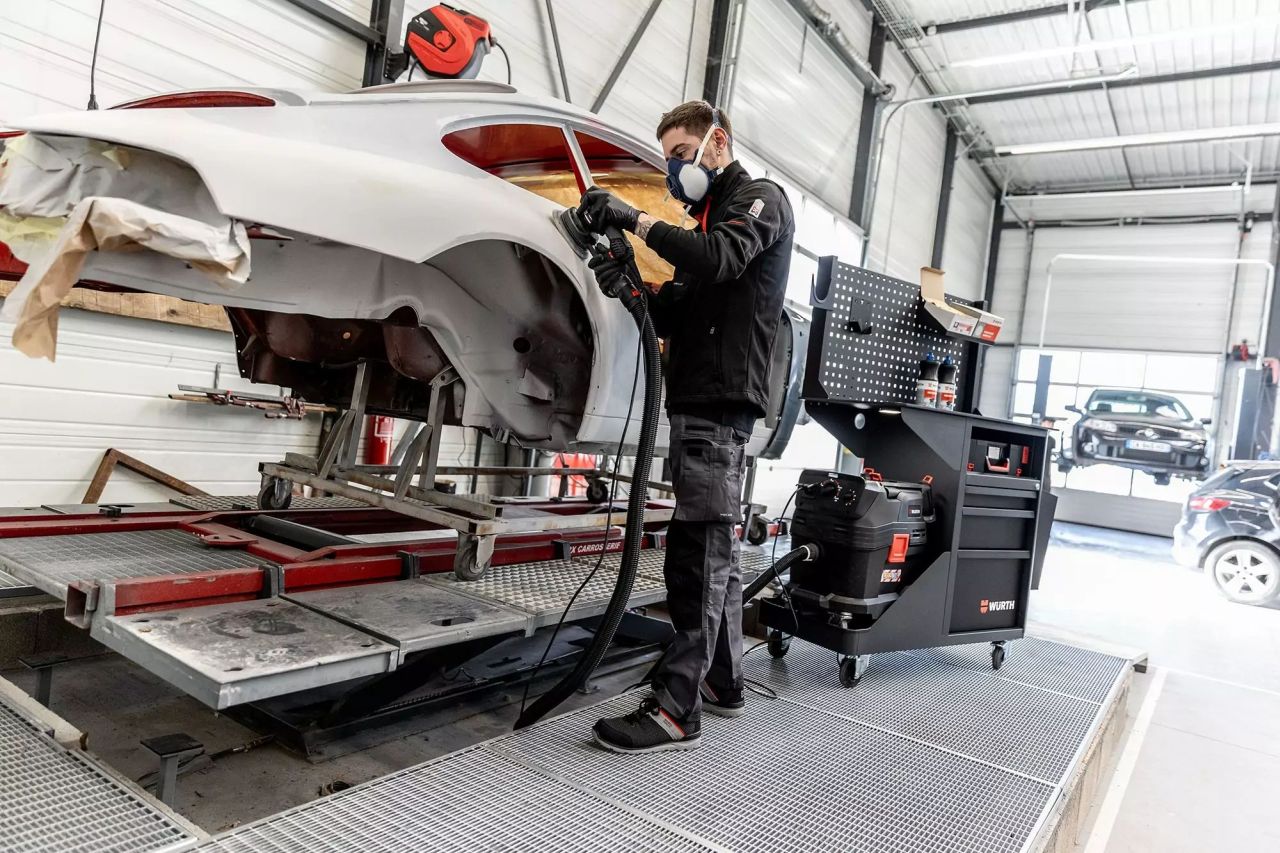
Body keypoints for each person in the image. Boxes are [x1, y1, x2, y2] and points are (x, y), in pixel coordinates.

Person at [577, 101, 794, 753]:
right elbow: (674, 307)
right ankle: (722, 682)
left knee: (697, 557)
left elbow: (720, 259)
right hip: (701, 403)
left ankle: (676, 710)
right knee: (714, 554)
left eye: (678, 153)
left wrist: (633, 218)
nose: (672, 168)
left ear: (715, 143)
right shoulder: (702, 223)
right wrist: (629, 285)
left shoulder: (759, 202)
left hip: (719, 406)